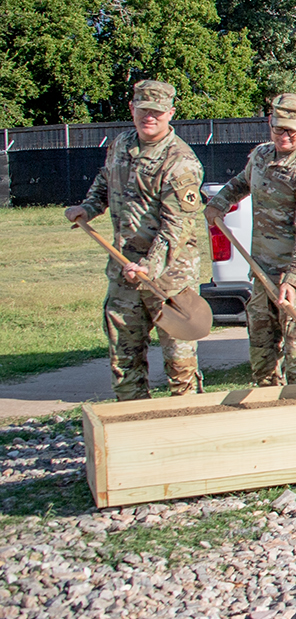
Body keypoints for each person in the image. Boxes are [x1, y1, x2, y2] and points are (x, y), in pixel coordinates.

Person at [64, 79, 205, 400]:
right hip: (124, 274)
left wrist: (148, 267)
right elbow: (105, 179)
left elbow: (176, 228)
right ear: (132, 109)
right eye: (143, 110)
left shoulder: (180, 162)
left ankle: (188, 434)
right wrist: (87, 208)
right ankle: (134, 430)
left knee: (180, 368)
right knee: (125, 363)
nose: (149, 117)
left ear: (170, 113)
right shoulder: (121, 144)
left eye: (157, 111)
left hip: (169, 281)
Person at [208, 92, 296, 385]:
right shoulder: (262, 156)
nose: (284, 136)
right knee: (262, 356)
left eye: (291, 129)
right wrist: (220, 203)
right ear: (269, 123)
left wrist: (293, 280)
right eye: (279, 128)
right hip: (263, 273)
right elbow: (242, 182)